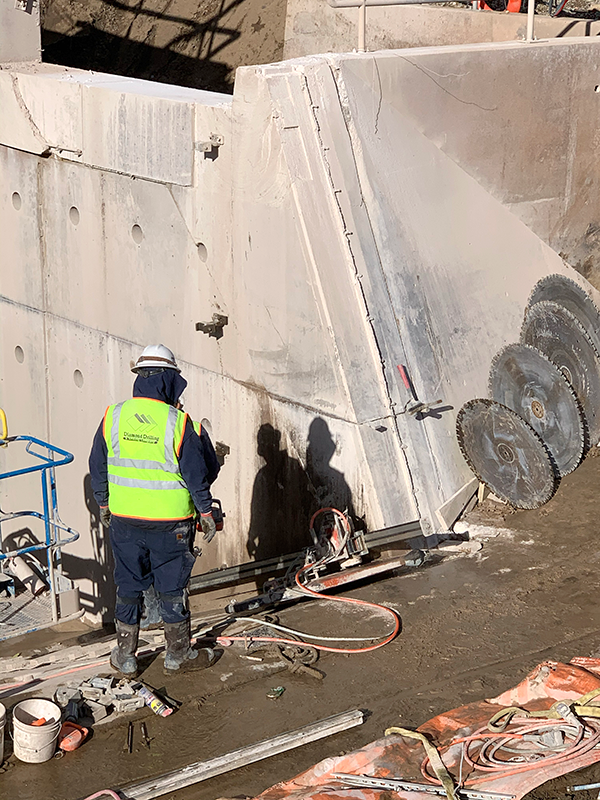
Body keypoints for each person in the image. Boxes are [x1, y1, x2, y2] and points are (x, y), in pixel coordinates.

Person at [89, 344, 221, 676]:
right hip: (170, 525)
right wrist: (206, 513)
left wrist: (104, 503)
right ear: (169, 382)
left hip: (125, 522)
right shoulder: (178, 423)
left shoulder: (113, 416)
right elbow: (197, 474)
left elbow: (98, 465)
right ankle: (178, 655)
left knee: (130, 585)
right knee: (171, 588)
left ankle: (126, 656)